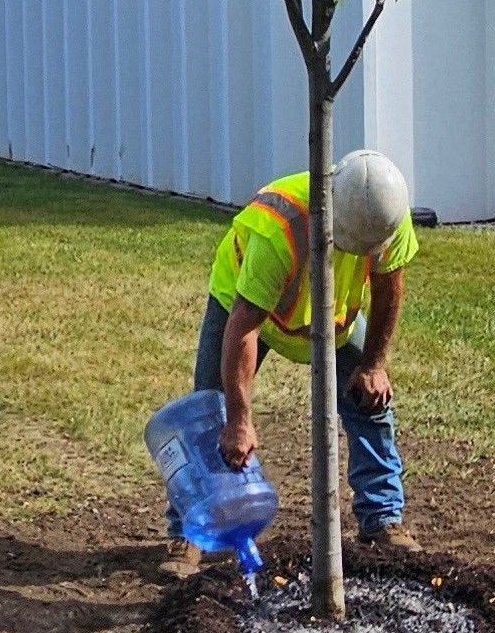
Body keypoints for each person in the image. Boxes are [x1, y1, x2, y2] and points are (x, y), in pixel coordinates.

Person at [164, 149, 419, 577]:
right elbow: (243, 329)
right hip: (247, 309)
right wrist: (240, 420)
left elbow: (389, 288)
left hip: (333, 314)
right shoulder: (277, 231)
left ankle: (382, 519)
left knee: (370, 402)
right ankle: (187, 533)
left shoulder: (387, 215)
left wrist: (374, 363)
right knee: (210, 413)